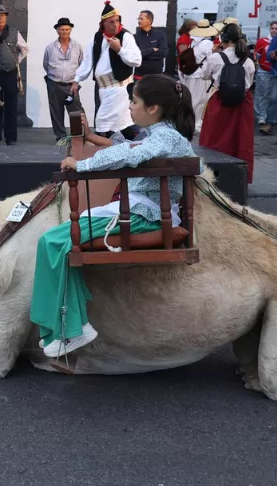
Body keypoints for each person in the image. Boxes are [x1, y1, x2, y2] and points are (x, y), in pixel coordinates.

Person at [31, 74, 197, 356]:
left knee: (53, 242)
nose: (130, 107)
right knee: (54, 241)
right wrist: (91, 141)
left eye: (134, 102)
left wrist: (82, 165)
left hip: (143, 217)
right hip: (139, 212)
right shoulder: (162, 135)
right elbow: (130, 149)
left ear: (153, 108)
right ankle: (72, 323)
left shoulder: (166, 137)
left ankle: (74, 328)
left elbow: (130, 155)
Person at [72, 2, 142, 139]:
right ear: (103, 23)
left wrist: (119, 49)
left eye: (117, 21)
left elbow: (136, 60)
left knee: (103, 122)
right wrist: (77, 80)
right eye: (111, 22)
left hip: (119, 88)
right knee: (118, 125)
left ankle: (100, 150)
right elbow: (87, 61)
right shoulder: (97, 38)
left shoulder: (126, 37)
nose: (115, 24)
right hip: (103, 88)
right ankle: (130, 145)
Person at [198, 24, 256, 181]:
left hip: (220, 100)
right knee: (240, 138)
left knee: (215, 136)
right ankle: (239, 176)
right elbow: (249, 81)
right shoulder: (248, 60)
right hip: (243, 102)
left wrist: (213, 55)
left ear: (223, 39)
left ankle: (211, 173)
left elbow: (204, 75)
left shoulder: (216, 57)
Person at [0, 5, 28, 146]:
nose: (0, 17)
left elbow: (25, 49)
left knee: (11, 106)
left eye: (2, 15)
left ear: (6, 17)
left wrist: (15, 62)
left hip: (10, 74)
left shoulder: (14, 32)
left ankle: (11, 137)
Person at [42, 17, 85, 140]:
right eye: (61, 29)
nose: (64, 32)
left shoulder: (77, 46)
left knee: (75, 111)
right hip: (54, 84)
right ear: (57, 31)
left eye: (67, 29)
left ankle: (77, 137)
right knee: (56, 111)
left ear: (70, 30)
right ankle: (60, 137)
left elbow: (82, 64)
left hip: (71, 85)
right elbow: (46, 65)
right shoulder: (50, 47)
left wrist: (76, 80)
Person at [179, 19, 216, 130]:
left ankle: (189, 121)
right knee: (200, 100)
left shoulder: (193, 41)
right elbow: (211, 60)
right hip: (201, 74)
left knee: (191, 98)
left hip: (190, 73)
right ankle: (196, 123)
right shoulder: (208, 43)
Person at [253, 21, 277, 125]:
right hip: (264, 71)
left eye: (276, 28)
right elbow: (256, 55)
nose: (274, 30)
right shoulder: (262, 41)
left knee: (274, 96)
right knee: (262, 94)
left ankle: (271, 116)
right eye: (272, 28)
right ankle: (261, 116)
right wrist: (258, 58)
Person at [132, 9, 168, 88]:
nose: (139, 21)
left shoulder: (160, 34)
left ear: (149, 20)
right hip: (139, 76)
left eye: (141, 19)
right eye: (138, 18)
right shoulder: (135, 37)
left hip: (156, 76)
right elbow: (136, 55)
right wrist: (152, 50)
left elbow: (163, 52)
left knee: (156, 100)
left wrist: (144, 54)